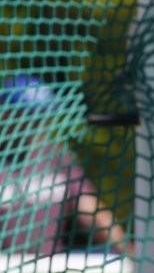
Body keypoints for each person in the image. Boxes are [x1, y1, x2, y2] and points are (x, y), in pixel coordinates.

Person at [0, 74, 130, 257]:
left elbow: (89, 208)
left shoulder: (55, 157)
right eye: (27, 115)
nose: (34, 124)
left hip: (49, 269)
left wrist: (126, 249)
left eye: (40, 116)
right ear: (5, 112)